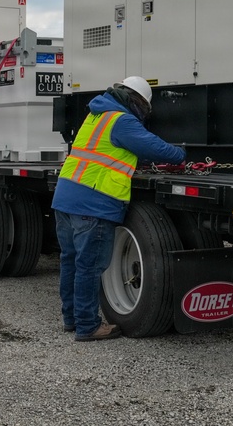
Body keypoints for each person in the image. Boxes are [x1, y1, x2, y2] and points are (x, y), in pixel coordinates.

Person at [51, 76, 185, 342]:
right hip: (94, 203)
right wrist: (181, 154)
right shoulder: (122, 121)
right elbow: (154, 147)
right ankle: (87, 326)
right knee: (89, 266)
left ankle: (71, 319)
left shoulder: (95, 116)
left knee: (71, 262)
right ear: (136, 101)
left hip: (66, 198)